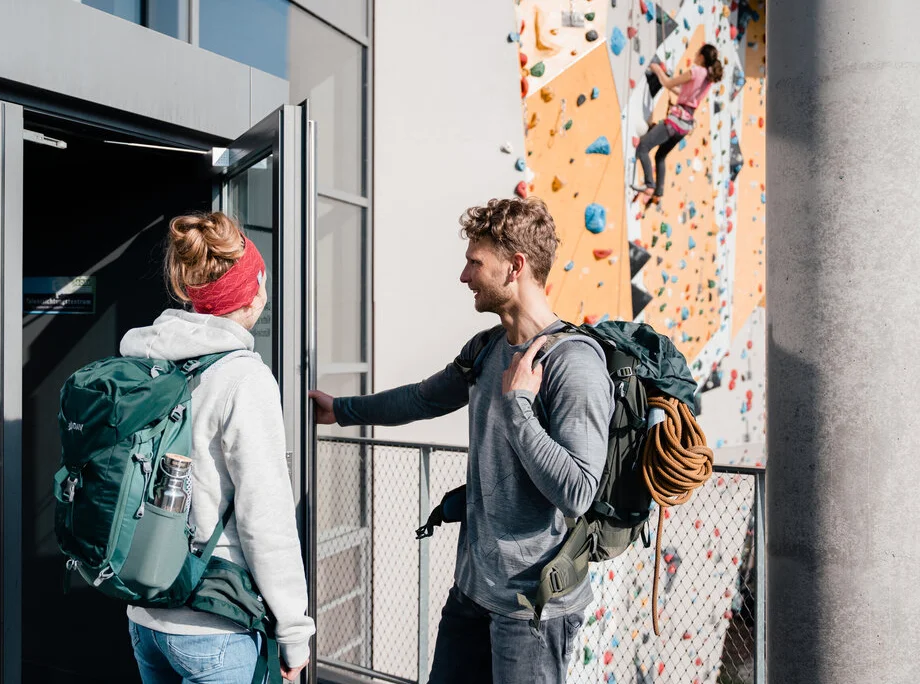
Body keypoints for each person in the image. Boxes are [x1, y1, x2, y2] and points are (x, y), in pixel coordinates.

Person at [309, 197, 614, 684]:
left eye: (475, 262)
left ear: (515, 267)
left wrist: (519, 407)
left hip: (531, 609)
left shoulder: (574, 365)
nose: (464, 276)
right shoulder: (487, 349)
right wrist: (342, 411)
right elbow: (422, 400)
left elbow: (578, 491)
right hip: (473, 592)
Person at [122, 212, 315, 683]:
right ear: (254, 291)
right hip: (213, 621)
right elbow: (264, 517)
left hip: (144, 615)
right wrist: (293, 632)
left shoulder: (147, 360)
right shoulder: (242, 377)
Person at [633, 44, 724, 205]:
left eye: (697, 52)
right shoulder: (708, 80)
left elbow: (668, 83)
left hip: (674, 122)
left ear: (701, 57)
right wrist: (665, 79)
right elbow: (681, 93)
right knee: (660, 156)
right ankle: (659, 192)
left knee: (643, 148)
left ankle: (649, 185)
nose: (695, 54)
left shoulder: (695, 71)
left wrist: (656, 68)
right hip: (684, 126)